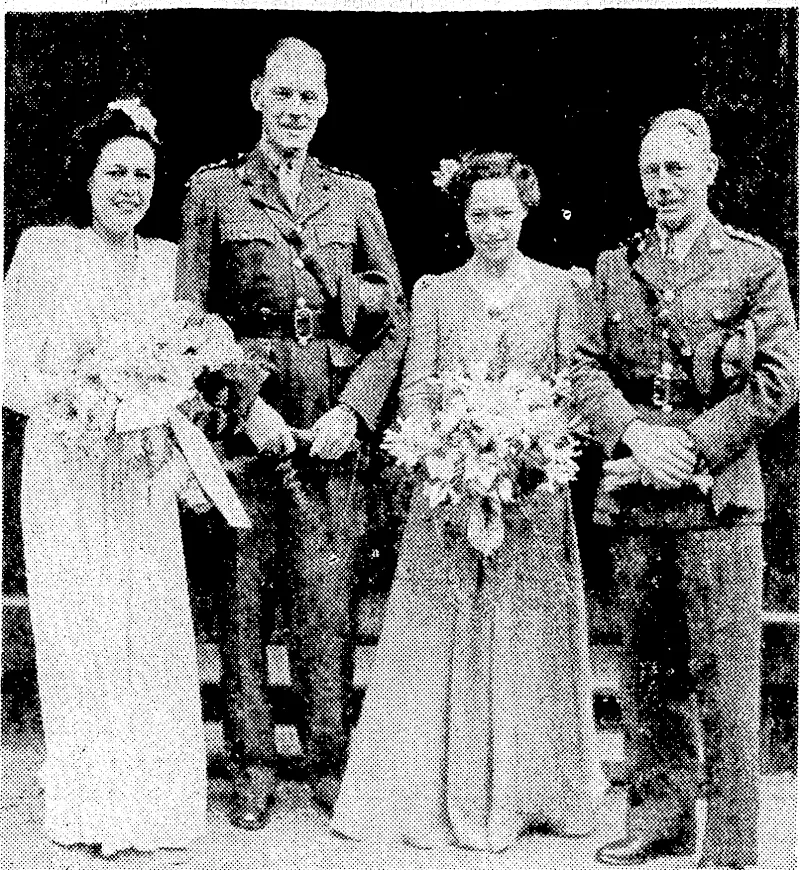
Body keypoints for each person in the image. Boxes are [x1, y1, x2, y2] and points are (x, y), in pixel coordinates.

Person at [331, 151, 605, 852]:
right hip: (449, 495)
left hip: (532, 496)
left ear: (525, 212)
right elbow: (417, 387)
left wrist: (527, 448)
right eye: (478, 214)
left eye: (504, 214)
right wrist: (447, 453)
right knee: (438, 632)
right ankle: (432, 787)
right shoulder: (434, 292)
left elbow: (574, 389)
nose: (491, 227)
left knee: (526, 633)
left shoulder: (560, 289)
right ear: (463, 217)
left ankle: (530, 791)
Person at [176, 38, 407, 827]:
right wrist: (246, 406)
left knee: (327, 600)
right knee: (242, 606)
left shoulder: (353, 196)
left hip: (330, 431)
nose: (295, 110)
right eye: (282, 94)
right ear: (256, 96)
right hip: (251, 433)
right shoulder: (213, 191)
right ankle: (251, 763)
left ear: (325, 105)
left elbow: (395, 320)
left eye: (309, 97)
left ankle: (330, 757)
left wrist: (356, 410)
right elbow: (191, 320)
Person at [572, 109, 798, 867]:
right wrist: (637, 436)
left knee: (725, 676)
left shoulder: (754, 264)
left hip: (717, 503)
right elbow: (585, 366)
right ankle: (659, 818)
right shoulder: (616, 267)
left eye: (676, 169)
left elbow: (776, 381)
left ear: (709, 172)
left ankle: (731, 846)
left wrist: (689, 447)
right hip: (635, 497)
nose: (662, 185)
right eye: (650, 171)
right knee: (646, 668)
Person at [3, 100, 207, 863]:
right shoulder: (45, 250)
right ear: (86, 178)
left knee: (144, 626)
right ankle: (93, 803)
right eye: (115, 172)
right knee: (80, 628)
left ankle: (151, 805)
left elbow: (182, 371)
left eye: (143, 175)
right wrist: (82, 399)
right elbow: (10, 364)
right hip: (68, 463)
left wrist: (151, 408)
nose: (130, 187)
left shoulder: (165, 263)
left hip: (140, 471)